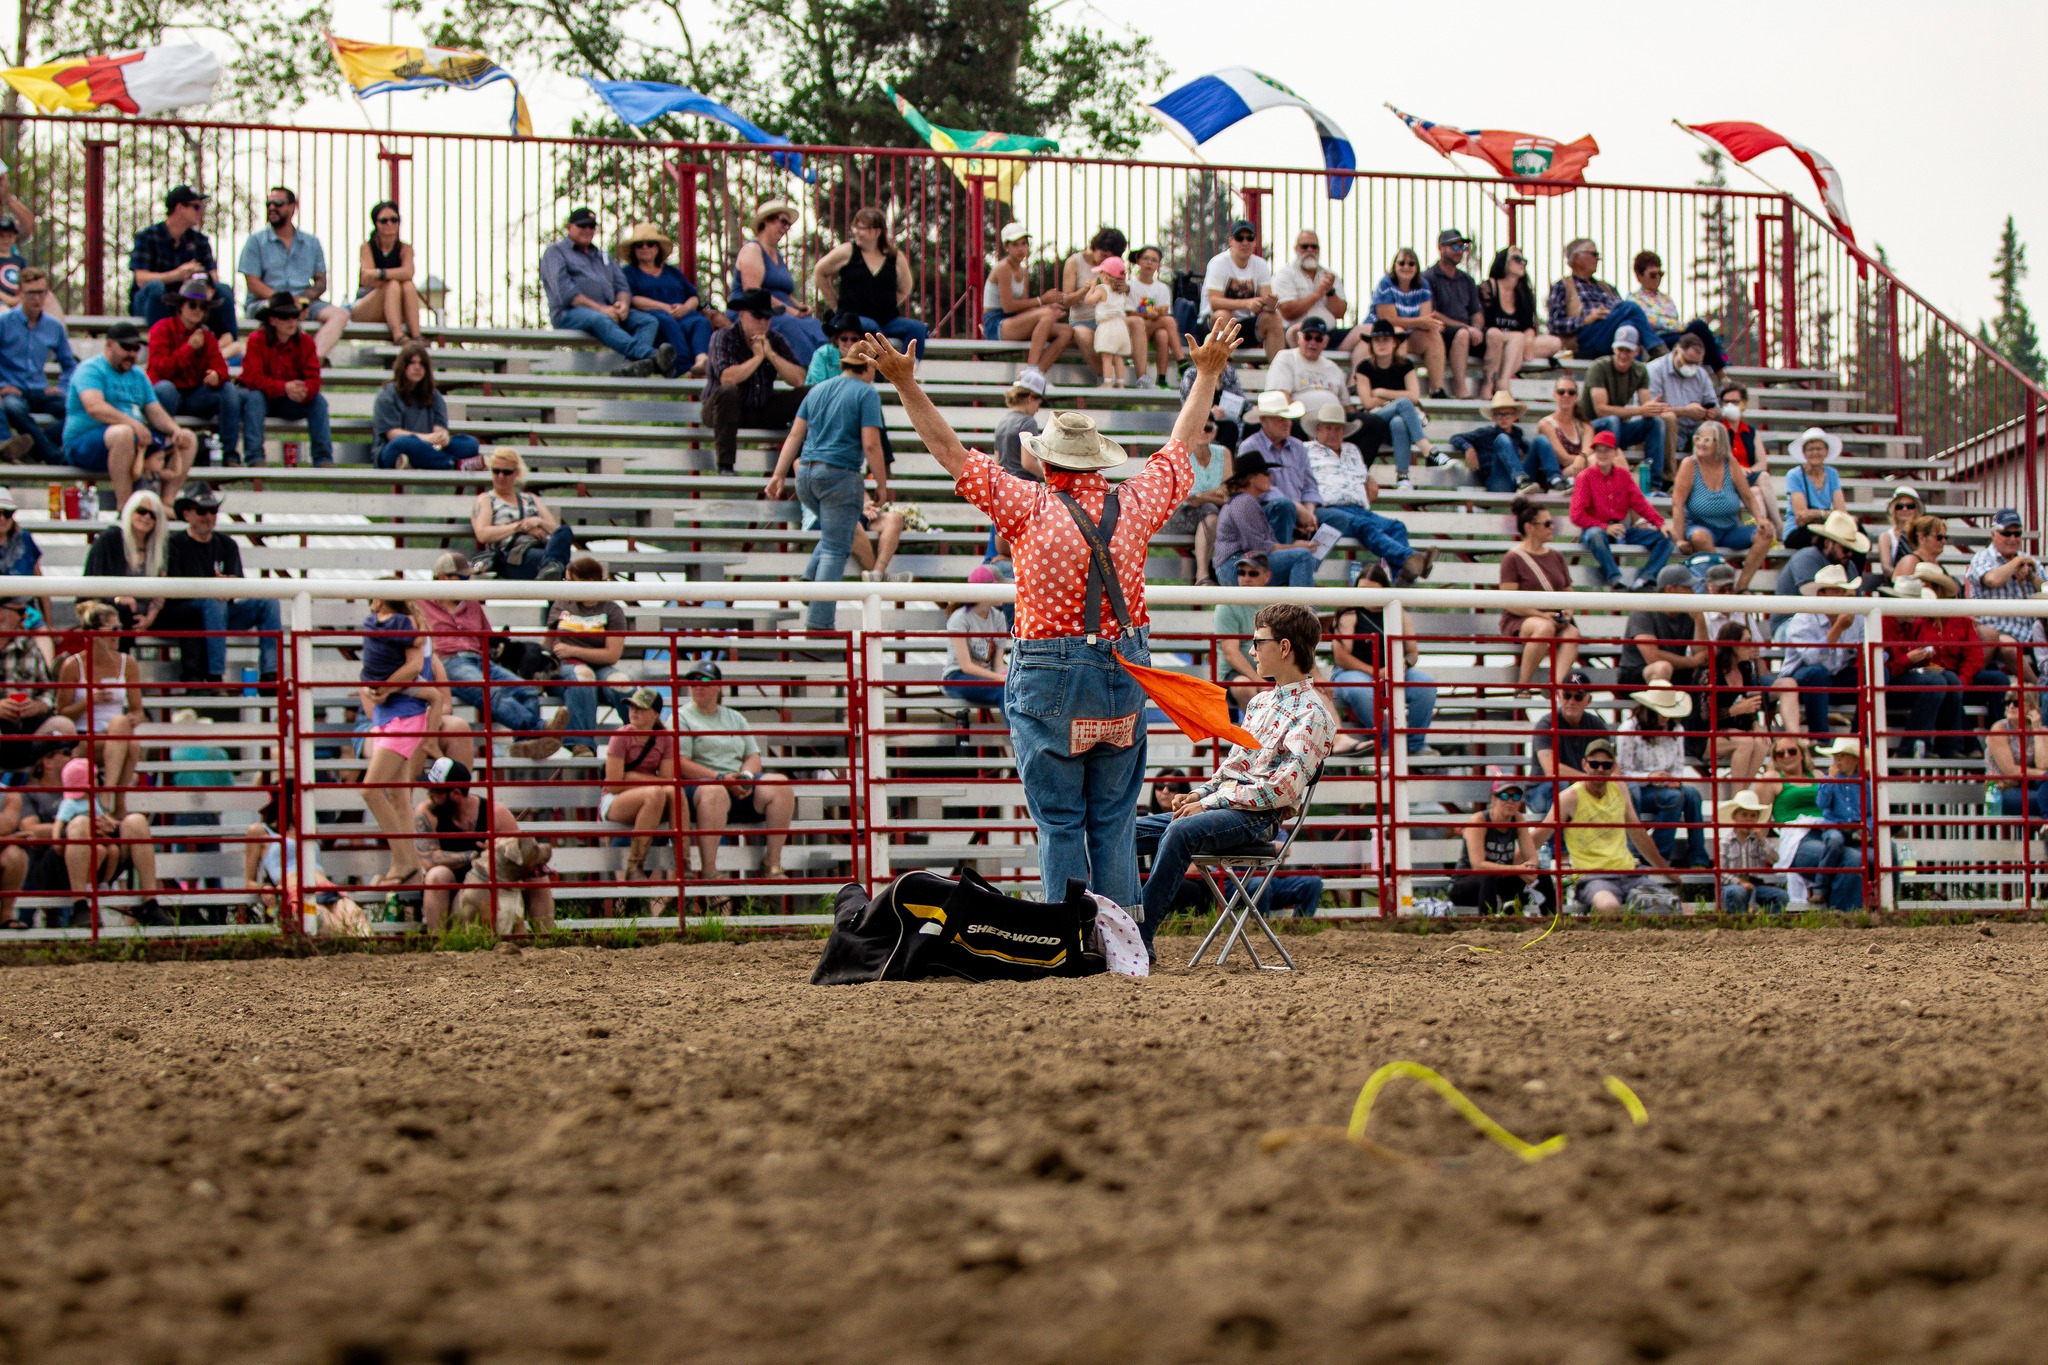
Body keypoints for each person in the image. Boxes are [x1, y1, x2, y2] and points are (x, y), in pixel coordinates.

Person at [860, 315, 1241, 908]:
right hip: (1123, 672)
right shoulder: (1135, 502)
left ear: (1046, 461)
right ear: (1098, 463)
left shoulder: (1027, 507)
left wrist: (906, 383)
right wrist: (1208, 374)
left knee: (1060, 821)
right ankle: (1123, 941)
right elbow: (1183, 444)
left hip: (1049, 674)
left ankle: (1069, 937)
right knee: (1112, 820)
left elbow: (949, 451)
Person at [1131, 602, 1334, 947]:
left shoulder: (1314, 714)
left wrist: (1211, 803)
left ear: (1284, 648)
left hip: (1258, 816)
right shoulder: (1258, 703)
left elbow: (1281, 790)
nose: (1251, 650)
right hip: (1230, 807)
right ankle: (1110, 920)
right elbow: (1234, 766)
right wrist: (1199, 795)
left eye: (1258, 641)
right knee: (1122, 831)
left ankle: (1137, 939)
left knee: (1180, 830)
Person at [763, 338, 887, 631]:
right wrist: (881, 484)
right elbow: (871, 444)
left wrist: (779, 474)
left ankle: (810, 580)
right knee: (836, 548)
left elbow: (795, 435)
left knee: (835, 534)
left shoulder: (817, 390)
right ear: (869, 367)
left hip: (805, 475)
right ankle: (819, 626)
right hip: (839, 475)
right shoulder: (867, 394)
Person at [416, 551, 550, 754]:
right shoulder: (420, 603)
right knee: (492, 692)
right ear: (443, 578)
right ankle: (539, 729)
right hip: (447, 661)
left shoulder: (471, 604)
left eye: (467, 578)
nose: (467, 582)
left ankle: (526, 741)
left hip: (478, 659)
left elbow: (488, 638)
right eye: (462, 578)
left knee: (528, 691)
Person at [151, 483, 283, 687]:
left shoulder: (227, 544)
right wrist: (213, 588)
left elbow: (238, 583)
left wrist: (229, 585)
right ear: (187, 514)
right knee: (214, 602)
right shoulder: (174, 544)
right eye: (202, 511)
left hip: (221, 612)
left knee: (269, 602)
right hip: (190, 612)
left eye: (213, 511)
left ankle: (271, 673)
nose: (208, 516)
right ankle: (215, 675)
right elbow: (173, 590)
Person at [673, 665, 795, 883]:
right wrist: (720, 778)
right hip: (702, 787)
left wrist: (746, 777)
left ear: (718, 687)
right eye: (693, 682)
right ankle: (710, 869)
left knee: (780, 784)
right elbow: (681, 763)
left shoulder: (734, 717)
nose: (698, 687)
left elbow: (753, 756)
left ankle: (772, 863)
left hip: (736, 782)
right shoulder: (681, 717)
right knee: (714, 792)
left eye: (705, 682)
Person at [63, 320, 197, 508]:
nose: (132, 354)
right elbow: (95, 407)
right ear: (109, 344)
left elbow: (154, 410)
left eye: (136, 349)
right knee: (123, 433)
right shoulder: (90, 369)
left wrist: (175, 430)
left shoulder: (138, 375)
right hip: (85, 443)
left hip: (133, 442)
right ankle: (125, 506)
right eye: (126, 347)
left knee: (188, 438)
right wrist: (134, 425)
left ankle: (166, 502)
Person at [415, 757, 555, 934]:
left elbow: (523, 855)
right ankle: (438, 941)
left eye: (436, 791)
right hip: (453, 880)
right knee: (436, 875)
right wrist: (476, 855)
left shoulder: (496, 813)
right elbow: (429, 860)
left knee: (538, 879)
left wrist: (533, 867)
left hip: (494, 877)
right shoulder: (427, 812)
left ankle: (546, 937)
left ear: (456, 794)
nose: (430, 795)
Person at [1305, 403, 1434, 585]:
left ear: (1344, 431)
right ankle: (1410, 559)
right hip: (1330, 511)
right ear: (1317, 430)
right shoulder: (1305, 450)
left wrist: (1368, 480)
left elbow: (1361, 476)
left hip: (1358, 508)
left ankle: (1402, 577)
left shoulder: (1352, 450)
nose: (1333, 433)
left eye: (1338, 428)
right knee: (1365, 525)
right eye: (1328, 428)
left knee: (1396, 527)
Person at [538, 207, 670, 378]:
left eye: (592, 226)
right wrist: (601, 309)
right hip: (570, 313)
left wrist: (622, 304)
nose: (588, 230)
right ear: (569, 227)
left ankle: (632, 365)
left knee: (648, 321)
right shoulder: (555, 252)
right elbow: (566, 293)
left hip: (609, 311)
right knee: (599, 319)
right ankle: (650, 354)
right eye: (582, 225)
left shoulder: (602, 255)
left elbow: (622, 286)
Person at [1557, 737, 1676, 912]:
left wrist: (1666, 869)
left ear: (1613, 767)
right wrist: (1515, 863)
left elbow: (1638, 833)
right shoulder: (1570, 797)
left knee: (1676, 907)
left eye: (1606, 765)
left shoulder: (1619, 787)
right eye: (1595, 764)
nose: (1600, 769)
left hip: (1628, 872)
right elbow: (1542, 832)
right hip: (1593, 877)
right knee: (1608, 906)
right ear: (1584, 764)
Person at [1328, 571, 1439, 759]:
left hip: (1391, 671)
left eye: (1373, 591)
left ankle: (1415, 744)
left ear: (1384, 590)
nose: (1367, 595)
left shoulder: (1397, 611)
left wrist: (1403, 663)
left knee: (1425, 686)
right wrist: (1376, 672)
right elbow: (1341, 658)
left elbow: (1412, 652)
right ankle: (1386, 743)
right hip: (1352, 673)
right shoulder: (1348, 613)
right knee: (1361, 689)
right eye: (1362, 589)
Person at [703, 288, 808, 475]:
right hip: (722, 410)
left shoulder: (775, 340)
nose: (763, 322)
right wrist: (758, 358)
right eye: (758, 316)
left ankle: (798, 464)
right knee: (729, 391)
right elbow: (728, 377)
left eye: (767, 318)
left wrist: (771, 355)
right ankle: (725, 465)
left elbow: (799, 379)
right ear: (742, 315)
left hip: (760, 408)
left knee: (809, 394)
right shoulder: (724, 336)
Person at [55, 754, 166, 928]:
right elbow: (54, 836)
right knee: (81, 824)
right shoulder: (68, 805)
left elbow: (129, 759)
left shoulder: (96, 801)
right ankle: (80, 904)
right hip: (69, 857)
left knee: (136, 820)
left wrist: (109, 825)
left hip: (105, 848)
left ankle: (150, 902)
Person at [237, 185, 348, 358]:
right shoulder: (255, 241)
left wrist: (302, 301)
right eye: (269, 204)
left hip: (302, 301)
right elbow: (252, 283)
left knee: (340, 314)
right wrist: (286, 302)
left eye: (278, 203)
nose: (272, 208)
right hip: (265, 302)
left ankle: (312, 360)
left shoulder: (311, 243)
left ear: (293, 207)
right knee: (279, 313)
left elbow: (321, 283)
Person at [147, 276, 247, 467]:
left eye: (202, 307)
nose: (198, 310)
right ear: (181, 306)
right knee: (165, 389)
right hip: (169, 397)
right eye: (192, 305)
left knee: (229, 390)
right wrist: (189, 348)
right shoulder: (162, 329)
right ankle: (159, 449)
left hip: (195, 396)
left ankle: (230, 454)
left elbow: (221, 367)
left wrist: (216, 376)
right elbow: (162, 369)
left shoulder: (207, 337)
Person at [812, 206, 929, 362]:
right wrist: (836, 305)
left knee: (917, 328)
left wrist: (886, 304)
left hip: (887, 320)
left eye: (862, 228)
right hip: (856, 319)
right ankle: (883, 372)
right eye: (856, 227)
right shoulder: (848, 252)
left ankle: (911, 369)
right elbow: (819, 272)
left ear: (877, 232)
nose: (856, 232)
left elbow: (905, 287)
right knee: (872, 328)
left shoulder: (895, 257)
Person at [1883, 576, 1982, 759]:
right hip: (1892, 680)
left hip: (1915, 675)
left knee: (1949, 681)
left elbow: (1974, 656)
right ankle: (1920, 747)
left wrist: (1922, 661)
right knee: (1939, 682)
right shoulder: (1890, 622)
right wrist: (1910, 659)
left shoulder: (1915, 623)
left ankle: (1948, 746)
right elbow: (1884, 669)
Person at [546, 555, 636, 753]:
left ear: (589, 582)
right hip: (566, 666)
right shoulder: (562, 603)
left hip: (598, 665)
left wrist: (573, 650)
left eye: (571, 581)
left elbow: (611, 655)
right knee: (583, 676)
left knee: (623, 685)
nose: (566, 585)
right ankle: (582, 744)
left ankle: (641, 739)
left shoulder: (612, 610)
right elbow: (548, 641)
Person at [55, 600, 141, 809]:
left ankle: (108, 796)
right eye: (113, 629)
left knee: (122, 726)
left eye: (120, 628)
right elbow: (61, 714)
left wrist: (134, 718)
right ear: (92, 633)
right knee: (129, 742)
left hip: (114, 735)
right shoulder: (73, 666)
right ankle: (116, 805)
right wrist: (88, 702)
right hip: (84, 737)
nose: (119, 634)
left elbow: (138, 710)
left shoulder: (127, 663)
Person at [1618, 667, 1707, 868]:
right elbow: (1623, 772)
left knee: (1692, 794)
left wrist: (1673, 779)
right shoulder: (1629, 730)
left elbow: (1678, 765)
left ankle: (1698, 858)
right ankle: (1659, 857)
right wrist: (1650, 776)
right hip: (1640, 790)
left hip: (1664, 786)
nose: (1667, 717)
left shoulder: (1676, 729)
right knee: (1676, 797)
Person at [1669, 422, 1772, 590]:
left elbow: (1747, 496)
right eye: (1698, 439)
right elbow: (1678, 503)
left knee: (1766, 533)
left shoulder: (1730, 463)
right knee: (1699, 537)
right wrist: (1680, 539)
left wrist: (1760, 519)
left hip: (1730, 528)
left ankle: (1741, 586)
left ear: (1720, 443)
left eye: (1707, 440)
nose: (1701, 443)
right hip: (1699, 527)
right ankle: (1725, 580)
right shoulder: (1689, 464)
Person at [1570, 429, 1674, 591]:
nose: (1602, 454)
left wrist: (1660, 523)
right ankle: (1616, 579)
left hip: (1619, 529)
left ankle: (1646, 578)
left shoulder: (1623, 475)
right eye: (1599, 450)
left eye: (1607, 450)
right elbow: (1577, 515)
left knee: (1666, 538)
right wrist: (1605, 527)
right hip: (1596, 529)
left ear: (1615, 452)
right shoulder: (1585, 477)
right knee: (1596, 534)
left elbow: (1640, 503)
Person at [237, 295, 332, 468]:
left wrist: (304, 391)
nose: (291, 321)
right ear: (271, 320)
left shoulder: (306, 343)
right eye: (284, 316)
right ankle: (255, 458)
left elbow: (314, 379)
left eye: (294, 316)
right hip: (264, 399)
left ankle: (323, 458)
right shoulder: (256, 340)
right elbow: (252, 379)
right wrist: (284, 387)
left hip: (290, 400)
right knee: (254, 398)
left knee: (318, 401)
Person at [732, 198, 828, 365]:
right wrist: (789, 311)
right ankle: (808, 379)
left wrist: (798, 306)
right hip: (757, 313)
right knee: (792, 326)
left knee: (815, 326)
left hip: (783, 312)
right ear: (767, 221)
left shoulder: (778, 254)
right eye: (783, 221)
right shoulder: (752, 250)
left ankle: (832, 371)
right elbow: (754, 293)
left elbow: (783, 291)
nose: (786, 228)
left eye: (789, 224)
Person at [1499, 496, 1579, 695]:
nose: (1552, 527)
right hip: (1522, 618)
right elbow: (1509, 600)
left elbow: (1568, 592)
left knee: (1572, 633)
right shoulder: (1513, 558)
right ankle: (1523, 686)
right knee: (1544, 628)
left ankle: (1558, 687)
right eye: (1547, 523)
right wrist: (1542, 615)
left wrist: (1567, 614)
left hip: (1554, 617)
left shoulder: (1556, 556)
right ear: (1530, 527)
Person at [602, 686, 684, 880]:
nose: (634, 711)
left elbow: (668, 783)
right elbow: (613, 786)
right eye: (632, 706)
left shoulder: (665, 739)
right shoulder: (621, 736)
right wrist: (652, 785)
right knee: (657, 794)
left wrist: (631, 778)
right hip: (615, 800)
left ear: (655, 714)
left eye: (640, 708)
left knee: (672, 794)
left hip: (648, 802)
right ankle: (637, 864)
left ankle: (682, 862)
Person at [1773, 564, 1864, 737]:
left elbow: (1868, 650)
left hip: (1834, 679)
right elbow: (1812, 658)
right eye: (1837, 591)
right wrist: (1837, 628)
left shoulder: (1856, 619)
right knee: (1817, 673)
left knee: (1874, 673)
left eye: (1843, 592)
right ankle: (1820, 737)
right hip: (1802, 680)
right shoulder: (1803, 619)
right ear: (1821, 594)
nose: (1842, 596)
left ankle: (1859, 736)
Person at [129, 185, 235, 332]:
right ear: (179, 208)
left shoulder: (199, 241)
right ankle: (163, 340)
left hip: (187, 302)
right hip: (152, 303)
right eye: (196, 207)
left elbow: (213, 276)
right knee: (156, 288)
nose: (200, 211)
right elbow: (141, 279)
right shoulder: (148, 236)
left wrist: (201, 280)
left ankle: (229, 341)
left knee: (222, 289)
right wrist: (177, 274)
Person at [1578, 326, 1669, 494]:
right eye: (1620, 349)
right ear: (1614, 349)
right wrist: (1641, 410)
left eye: (1628, 350)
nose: (1623, 354)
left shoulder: (1640, 370)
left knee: (1655, 423)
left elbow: (1646, 408)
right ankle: (1613, 478)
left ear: (1636, 352)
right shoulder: (1599, 367)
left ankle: (1654, 485)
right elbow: (1601, 411)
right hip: (1590, 429)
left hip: (1616, 428)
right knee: (1612, 420)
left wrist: (1650, 408)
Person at [618, 221, 714, 376]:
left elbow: (693, 297)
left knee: (700, 321)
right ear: (633, 250)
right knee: (665, 320)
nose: (645, 248)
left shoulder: (672, 271)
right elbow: (633, 299)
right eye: (639, 245)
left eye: (650, 244)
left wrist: (685, 308)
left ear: (657, 248)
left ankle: (701, 360)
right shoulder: (628, 273)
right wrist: (664, 307)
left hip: (682, 314)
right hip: (655, 314)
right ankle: (683, 365)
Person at [0, 266, 74, 463]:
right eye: (31, 293)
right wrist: (2, 386)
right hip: (12, 389)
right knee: (13, 408)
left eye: (41, 293)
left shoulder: (54, 326)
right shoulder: (4, 322)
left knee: (78, 409)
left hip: (40, 389)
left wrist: (62, 387)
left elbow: (69, 364)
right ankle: (52, 456)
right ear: (19, 294)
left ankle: (36, 448)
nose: (37, 299)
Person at [1212, 452, 1319, 589]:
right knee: (1302, 556)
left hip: (1241, 565)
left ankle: (1297, 605)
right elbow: (1260, 548)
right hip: (1236, 568)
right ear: (1252, 478)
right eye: (1266, 473)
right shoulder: (1244, 502)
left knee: (1303, 556)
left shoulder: (1246, 501)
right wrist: (1296, 546)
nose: (1271, 477)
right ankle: (1301, 610)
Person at [1547, 238, 1664, 360]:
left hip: (1611, 332)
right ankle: (1658, 350)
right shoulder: (1562, 286)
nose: (1598, 259)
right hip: (1584, 337)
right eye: (1594, 254)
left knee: (1629, 326)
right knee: (1631, 307)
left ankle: (1637, 371)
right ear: (1577, 258)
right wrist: (1585, 320)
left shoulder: (1606, 287)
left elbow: (1623, 312)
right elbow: (1554, 324)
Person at [984, 222, 1074, 378]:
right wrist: (1043, 302)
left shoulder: (1023, 271)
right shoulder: (1003, 268)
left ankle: (1037, 375)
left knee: (1066, 331)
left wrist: (1049, 307)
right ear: (1007, 247)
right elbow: (1008, 307)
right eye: (1015, 245)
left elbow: (1024, 307)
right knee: (1046, 314)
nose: (1021, 249)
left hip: (1014, 320)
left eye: (1024, 244)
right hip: (996, 323)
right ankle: (1031, 369)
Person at [0, 596, 75, 779]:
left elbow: (47, 690)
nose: (26, 616)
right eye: (19, 611)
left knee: (64, 727)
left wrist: (37, 706)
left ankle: (45, 798)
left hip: (28, 726)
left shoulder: (30, 646)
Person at [1451, 776, 1550, 915]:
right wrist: (1517, 869)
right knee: (1489, 875)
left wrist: (1530, 869)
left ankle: (1554, 920)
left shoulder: (1518, 819)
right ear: (1494, 799)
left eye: (1515, 797)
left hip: (1501, 879)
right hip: (1467, 884)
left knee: (1542, 875)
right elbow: (1478, 865)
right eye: (1504, 796)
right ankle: (1489, 924)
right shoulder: (1479, 821)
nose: (1510, 801)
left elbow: (1532, 856)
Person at [372, 343, 478, 472]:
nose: (417, 367)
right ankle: (453, 464)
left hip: (430, 447)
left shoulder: (434, 395)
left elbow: (439, 428)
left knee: (470, 443)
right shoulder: (387, 394)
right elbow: (392, 434)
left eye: (422, 364)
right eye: (412, 363)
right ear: (403, 366)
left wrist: (442, 437)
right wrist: (426, 438)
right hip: (394, 450)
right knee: (404, 442)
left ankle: (414, 462)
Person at [472, 447, 574, 581]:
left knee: (565, 531)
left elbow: (555, 531)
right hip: (511, 555)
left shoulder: (530, 498)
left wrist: (539, 522)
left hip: (540, 548)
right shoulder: (486, 499)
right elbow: (482, 534)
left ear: (516, 473)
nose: (500, 476)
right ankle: (550, 568)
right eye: (496, 471)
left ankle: (550, 568)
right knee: (560, 564)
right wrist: (520, 526)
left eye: (506, 472)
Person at [1788, 737, 1866, 910]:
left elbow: (1869, 812)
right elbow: (1822, 803)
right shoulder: (1830, 779)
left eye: (1842, 756)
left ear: (1854, 759)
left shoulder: (1863, 784)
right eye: (1835, 756)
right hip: (1835, 825)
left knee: (1852, 846)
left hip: (1855, 827)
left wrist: (1866, 828)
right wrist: (1830, 779)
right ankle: (1821, 887)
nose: (1837, 761)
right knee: (1835, 840)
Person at [1351, 320, 1432, 487]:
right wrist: (1399, 400)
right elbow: (1368, 403)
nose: (1381, 344)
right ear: (1371, 344)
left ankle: (1403, 477)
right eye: (1377, 340)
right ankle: (1427, 448)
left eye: (1386, 339)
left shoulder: (1405, 365)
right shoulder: (1364, 367)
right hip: (1375, 422)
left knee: (1398, 422)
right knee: (1403, 403)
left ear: (1394, 343)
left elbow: (1414, 396)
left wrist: (1381, 392)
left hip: (1397, 427)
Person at [1968, 507, 2045, 683]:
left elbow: (2046, 590)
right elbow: (1992, 580)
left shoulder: (2029, 561)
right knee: (2009, 647)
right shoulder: (1982, 558)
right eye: (2006, 533)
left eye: (2017, 534)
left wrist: (2031, 575)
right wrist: (2016, 562)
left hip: (2029, 631)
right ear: (1994, 534)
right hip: (1994, 629)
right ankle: (2039, 689)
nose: (2012, 538)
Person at [1237, 390, 1319, 547]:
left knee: (1336, 518)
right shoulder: (1250, 447)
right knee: (1284, 507)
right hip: (1265, 510)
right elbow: (1258, 489)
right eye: (1280, 419)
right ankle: (1280, 562)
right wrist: (1297, 508)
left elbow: (1310, 485)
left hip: (1298, 508)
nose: (1287, 423)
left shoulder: (1298, 446)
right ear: (1263, 421)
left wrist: (1309, 512)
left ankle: (1306, 564)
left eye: (1288, 418)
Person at [81, 490, 168, 635]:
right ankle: (121, 658)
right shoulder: (111, 539)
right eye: (141, 511)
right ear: (130, 511)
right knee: (124, 611)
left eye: (153, 515)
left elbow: (161, 591)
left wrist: (150, 618)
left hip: (145, 611)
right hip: (109, 604)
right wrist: (117, 597)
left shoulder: (160, 548)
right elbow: (95, 583)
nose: (147, 517)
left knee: (192, 614)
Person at [1479, 246, 1561, 396]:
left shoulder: (1523, 292)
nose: (1522, 263)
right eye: (1517, 259)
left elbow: (1528, 326)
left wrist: (1528, 341)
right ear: (1503, 262)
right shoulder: (1489, 287)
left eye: (1524, 261)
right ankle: (1503, 382)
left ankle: (1503, 373)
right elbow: (1481, 322)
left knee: (1554, 343)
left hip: (1517, 344)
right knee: (1517, 337)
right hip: (1493, 341)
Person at [1528, 669, 1609, 818]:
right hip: (1540, 791)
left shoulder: (1596, 725)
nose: (1571, 701)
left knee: (1625, 788)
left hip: (1578, 787)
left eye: (1578, 696)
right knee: (1562, 787)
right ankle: (1558, 842)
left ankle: (1623, 841)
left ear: (1588, 700)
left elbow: (1610, 764)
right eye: (1567, 695)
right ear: (1559, 696)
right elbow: (1551, 769)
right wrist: (1590, 781)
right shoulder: (1546, 724)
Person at [1158, 417, 1230, 584]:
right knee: (1211, 510)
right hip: (1182, 514)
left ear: (1214, 432)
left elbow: (1227, 490)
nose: (1204, 431)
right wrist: (1214, 494)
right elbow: (1187, 496)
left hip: (1211, 512)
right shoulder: (1182, 454)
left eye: (1208, 428)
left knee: (1211, 510)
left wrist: (1203, 497)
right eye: (1199, 427)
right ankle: (1204, 574)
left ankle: (1204, 575)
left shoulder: (1223, 452)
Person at [1449, 391, 1564, 494]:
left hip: (1521, 484)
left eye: (1508, 414)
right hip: (1499, 483)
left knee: (1541, 440)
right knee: (1502, 438)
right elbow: (1455, 438)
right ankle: (1520, 478)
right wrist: (1469, 448)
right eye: (1499, 414)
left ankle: (1556, 480)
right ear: (1493, 417)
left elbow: (1532, 451)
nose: (1504, 418)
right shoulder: (1486, 433)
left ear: (1514, 416)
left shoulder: (1517, 435)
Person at [1629, 251, 1726, 371]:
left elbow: (1672, 319)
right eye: (1653, 275)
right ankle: (1720, 372)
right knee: (1696, 331)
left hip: (1677, 334)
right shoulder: (1634, 299)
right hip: (1659, 341)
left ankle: (1719, 370)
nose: (1658, 278)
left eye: (1661, 274)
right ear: (1639, 276)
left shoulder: (1665, 298)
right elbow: (1653, 322)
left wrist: (1681, 326)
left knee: (1699, 327)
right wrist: (1682, 326)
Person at [1617, 565, 1708, 693]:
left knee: (1707, 674)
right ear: (1669, 589)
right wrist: (1691, 662)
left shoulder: (1688, 613)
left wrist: (1699, 619)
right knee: (1662, 668)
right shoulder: (1643, 610)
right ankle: (1660, 713)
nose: (1693, 592)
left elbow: (1703, 654)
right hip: (1636, 674)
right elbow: (1652, 657)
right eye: (1687, 587)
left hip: (1675, 672)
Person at [1372, 247, 1449, 397]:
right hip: (1383, 334)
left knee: (1434, 336)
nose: (1406, 267)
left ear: (1417, 267)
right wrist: (1419, 322)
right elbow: (1387, 321)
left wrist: (1422, 322)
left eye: (1411, 264)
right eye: (1401, 263)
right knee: (1398, 335)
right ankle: (1395, 387)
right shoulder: (1385, 284)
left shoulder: (1423, 285)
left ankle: (1437, 389)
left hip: (1411, 334)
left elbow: (1425, 321)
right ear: (1394, 266)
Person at [1201, 219, 1282, 355]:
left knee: (1274, 318)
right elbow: (1214, 302)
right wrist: (1247, 303)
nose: (1245, 243)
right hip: (1212, 323)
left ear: (1255, 242)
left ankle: (1278, 372)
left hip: (1243, 326)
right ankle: (1223, 371)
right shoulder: (1218, 263)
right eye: (1240, 238)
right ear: (1231, 241)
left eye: (1250, 238)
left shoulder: (1261, 265)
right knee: (1223, 315)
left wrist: (1272, 304)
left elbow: (1267, 301)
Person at [1774, 511, 1867, 629]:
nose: (1850, 554)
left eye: (1852, 550)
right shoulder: (1806, 558)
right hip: (1790, 622)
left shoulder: (1849, 565)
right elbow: (1813, 605)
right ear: (1828, 543)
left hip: (1829, 622)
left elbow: (1857, 602)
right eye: (1845, 549)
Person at [350, 200, 424, 345]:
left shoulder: (405, 249)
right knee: (394, 285)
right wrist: (396, 275)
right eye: (384, 221)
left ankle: (416, 336)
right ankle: (398, 336)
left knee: (408, 285)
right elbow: (367, 278)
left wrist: (380, 274)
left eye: (394, 220)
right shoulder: (367, 248)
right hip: (368, 305)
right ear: (376, 224)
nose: (390, 224)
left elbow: (408, 273)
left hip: (396, 307)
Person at [1423, 229, 1485, 398]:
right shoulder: (1429, 277)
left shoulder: (1467, 280)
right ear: (1440, 248)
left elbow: (1476, 313)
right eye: (1454, 246)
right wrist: (1467, 327)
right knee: (1462, 334)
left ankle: (1490, 386)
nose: (1460, 251)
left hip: (1467, 331)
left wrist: (1477, 328)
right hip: (1443, 332)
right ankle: (1461, 388)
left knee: (1494, 335)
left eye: (1461, 247)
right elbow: (1432, 313)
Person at [1060, 228, 1127, 380]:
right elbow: (1066, 301)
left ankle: (1142, 377)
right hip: (1083, 319)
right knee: (1082, 334)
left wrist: (1125, 288)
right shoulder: (1074, 262)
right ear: (1094, 247)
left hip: (1109, 318)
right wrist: (1084, 291)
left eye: (1109, 258)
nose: (1104, 261)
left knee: (1136, 323)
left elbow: (1121, 297)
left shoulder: (1115, 264)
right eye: (1103, 255)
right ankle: (1103, 376)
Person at [1708, 619, 1770, 781]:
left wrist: (1756, 726)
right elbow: (1703, 716)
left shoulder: (1745, 668)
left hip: (1735, 729)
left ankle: (1742, 794)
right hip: (1706, 732)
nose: (1751, 646)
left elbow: (1749, 705)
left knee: (1761, 743)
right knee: (1746, 742)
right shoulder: (1710, 672)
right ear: (1732, 645)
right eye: (1747, 642)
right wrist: (1736, 710)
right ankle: (1738, 797)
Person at [944, 567, 1008, 717]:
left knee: (1017, 689)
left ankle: (1022, 737)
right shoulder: (960, 618)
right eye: (1001, 586)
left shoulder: (998, 617)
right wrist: (999, 678)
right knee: (1003, 691)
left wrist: (1005, 676)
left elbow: (998, 664)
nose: (1006, 591)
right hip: (956, 677)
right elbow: (966, 666)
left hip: (987, 676)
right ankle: (1019, 739)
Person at [1645, 331, 1719, 454]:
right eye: (1688, 361)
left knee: (1715, 429)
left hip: (1694, 431)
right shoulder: (1654, 370)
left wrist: (1711, 413)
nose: (1692, 367)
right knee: (1668, 419)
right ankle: (1668, 472)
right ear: (1676, 352)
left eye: (1696, 364)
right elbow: (1648, 411)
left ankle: (1714, 472)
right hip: (1664, 430)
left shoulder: (1701, 374)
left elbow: (1715, 407)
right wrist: (1685, 411)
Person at [1274, 228, 1349, 348]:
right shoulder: (1285, 274)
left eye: (1314, 247)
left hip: (1327, 334)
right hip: (1297, 335)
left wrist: (1329, 292)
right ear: (1296, 249)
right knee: (1297, 333)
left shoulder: (1329, 274)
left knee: (1364, 334)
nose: (1310, 250)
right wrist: (1318, 294)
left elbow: (1340, 313)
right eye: (1305, 246)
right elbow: (1288, 311)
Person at [1716, 791, 1786, 914]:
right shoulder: (1725, 842)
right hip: (1732, 885)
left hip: (1755, 885)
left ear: (1757, 819)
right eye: (1744, 815)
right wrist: (1740, 882)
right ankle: (1740, 921)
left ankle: (1766, 925)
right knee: (1738, 892)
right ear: (1734, 817)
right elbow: (1721, 872)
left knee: (1781, 896)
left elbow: (1775, 858)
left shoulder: (1759, 841)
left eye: (1753, 816)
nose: (1748, 819)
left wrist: (1761, 840)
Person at [1266, 316, 1349, 416]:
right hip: (1297, 421)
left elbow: (1347, 405)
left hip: (1332, 425)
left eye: (1318, 339)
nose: (1313, 342)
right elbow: (1281, 397)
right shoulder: (1286, 358)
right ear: (1299, 338)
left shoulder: (1333, 368)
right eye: (1308, 337)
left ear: (1325, 342)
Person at [1782, 428, 1847, 551]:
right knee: (1823, 540)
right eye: (1810, 449)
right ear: (1804, 453)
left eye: (1819, 448)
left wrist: (1817, 514)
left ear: (1826, 451)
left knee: (1857, 532)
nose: (1815, 453)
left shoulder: (1832, 474)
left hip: (1826, 527)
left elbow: (1842, 512)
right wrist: (1829, 514)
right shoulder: (1794, 475)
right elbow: (1801, 516)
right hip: (1799, 530)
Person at [1987, 688, 2048, 819]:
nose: (2010, 706)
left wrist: (2036, 730)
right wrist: (2044, 775)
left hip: (2030, 785)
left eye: (2016, 702)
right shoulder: (1999, 729)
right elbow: (2010, 771)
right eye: (2007, 702)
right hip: (2000, 789)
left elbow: (2043, 764)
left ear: (2031, 707)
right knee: (2043, 797)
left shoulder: (2042, 730)